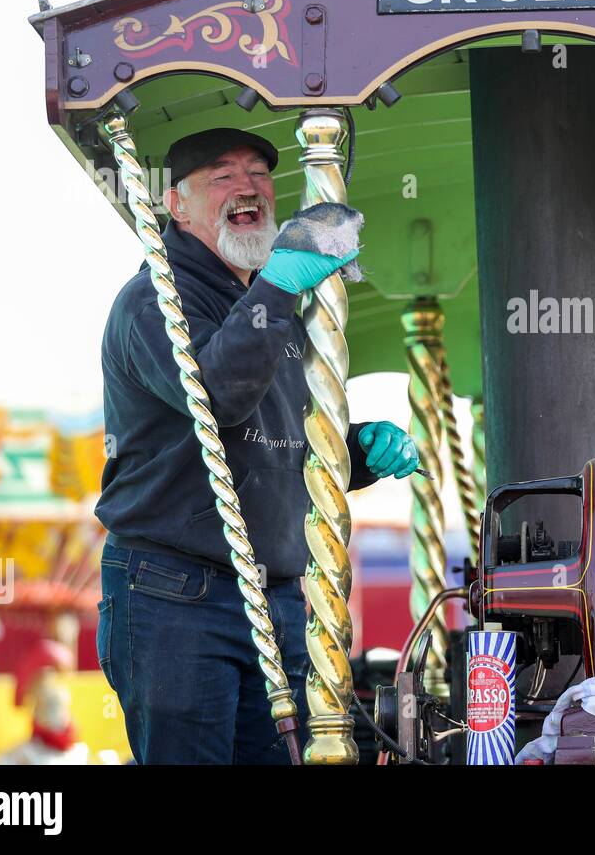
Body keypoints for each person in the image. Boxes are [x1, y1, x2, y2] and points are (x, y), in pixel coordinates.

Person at [96, 128, 419, 764]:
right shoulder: (151, 303)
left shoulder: (267, 307)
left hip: (271, 596)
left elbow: (274, 445)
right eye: (221, 176)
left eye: (259, 174)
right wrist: (278, 286)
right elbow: (216, 400)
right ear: (177, 207)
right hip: (175, 591)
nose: (248, 187)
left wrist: (354, 452)